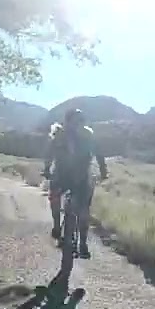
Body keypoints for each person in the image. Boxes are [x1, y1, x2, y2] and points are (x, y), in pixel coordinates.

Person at [42, 108, 108, 258]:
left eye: (78, 121)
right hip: (73, 176)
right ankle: (69, 234)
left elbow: (99, 154)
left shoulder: (80, 134)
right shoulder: (65, 134)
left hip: (75, 176)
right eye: (75, 121)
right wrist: (103, 171)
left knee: (79, 207)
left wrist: (46, 169)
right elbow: (99, 154)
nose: (76, 125)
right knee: (77, 207)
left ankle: (72, 236)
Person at [45, 123, 65, 240]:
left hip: (58, 175)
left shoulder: (54, 142)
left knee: (54, 199)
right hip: (75, 176)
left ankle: (57, 226)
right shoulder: (73, 141)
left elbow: (48, 158)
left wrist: (46, 170)